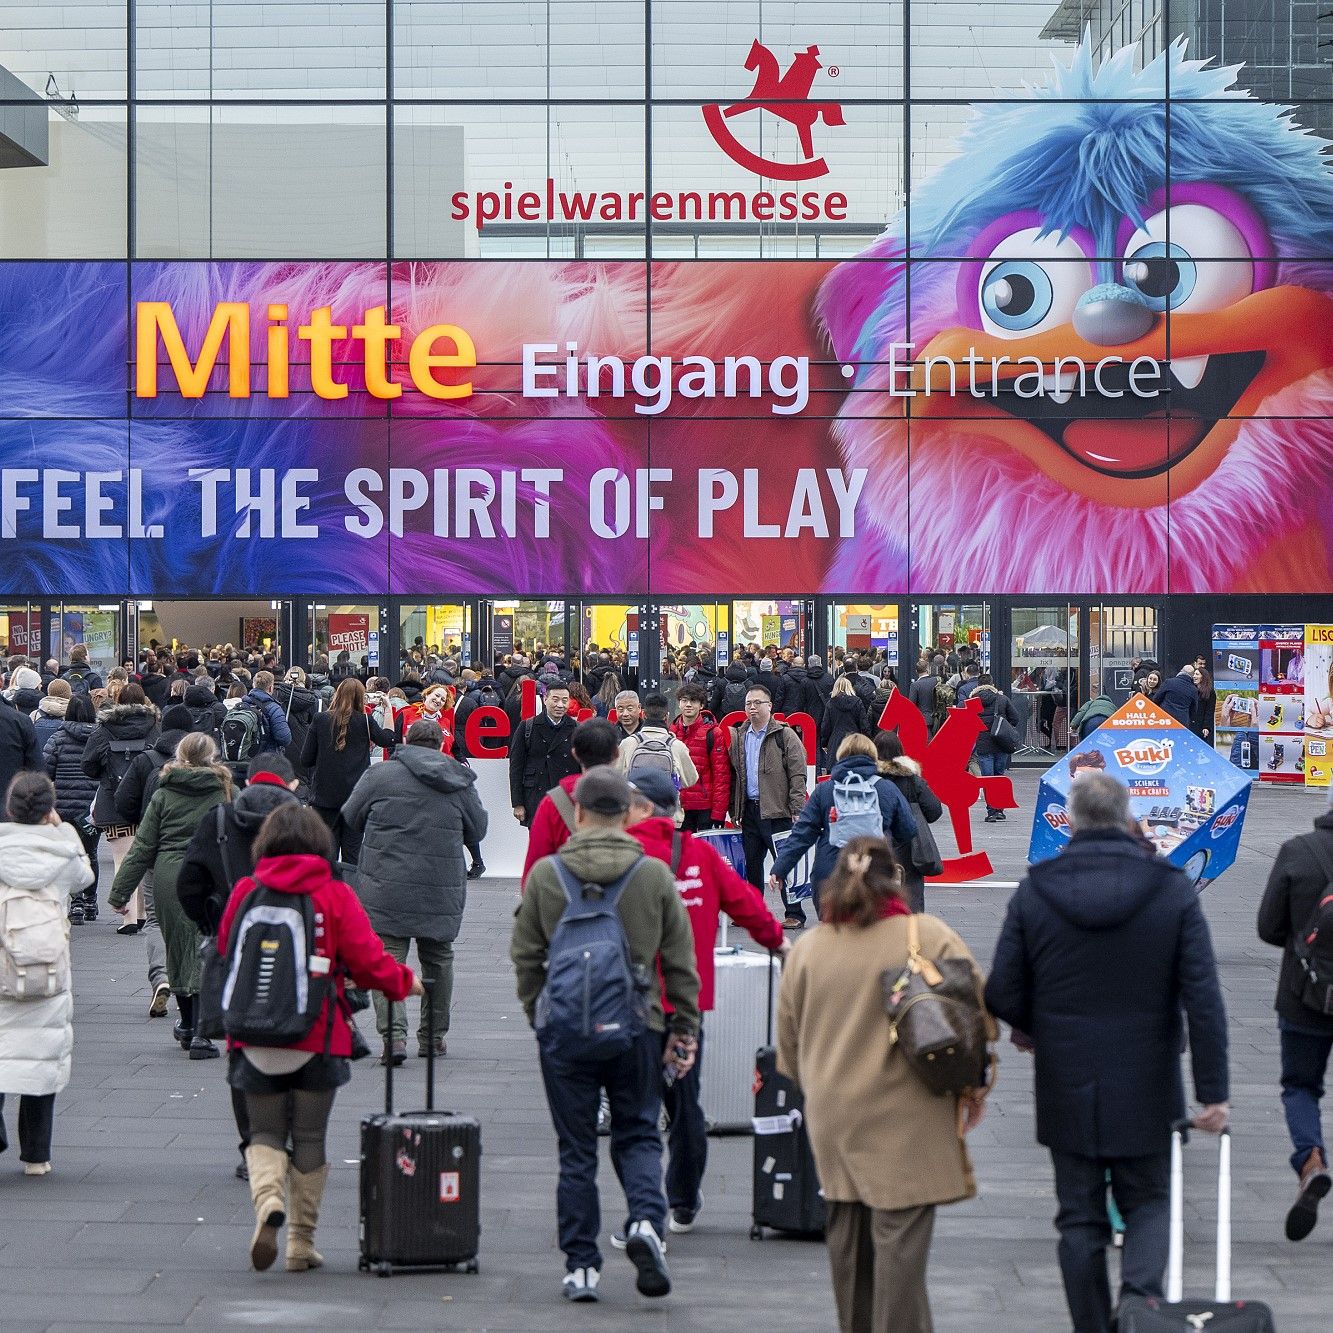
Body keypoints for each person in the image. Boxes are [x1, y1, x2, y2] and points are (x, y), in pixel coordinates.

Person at [985, 772, 1229, 1333]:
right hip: (1149, 1077)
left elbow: (1000, 989)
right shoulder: (1170, 889)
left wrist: (1036, 1029)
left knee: (1079, 1218)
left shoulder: (1038, 889)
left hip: (1066, 1076)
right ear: (1127, 818)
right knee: (1149, 1203)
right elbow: (1205, 998)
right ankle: (1138, 1309)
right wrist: (1213, 1093)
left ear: (1071, 820)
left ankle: (1093, 1326)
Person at [777, 836, 992, 1333]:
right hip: (910, 1118)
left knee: (848, 1249)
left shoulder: (809, 949)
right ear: (894, 878)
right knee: (901, 1254)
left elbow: (787, 1053)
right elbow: (977, 1019)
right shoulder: (929, 934)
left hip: (835, 1120)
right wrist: (974, 1087)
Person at [512, 768, 700, 1304]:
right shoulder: (652, 874)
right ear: (628, 815)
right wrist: (682, 1026)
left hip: (566, 1029)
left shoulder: (548, 875)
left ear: (578, 815)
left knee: (576, 1151)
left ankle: (581, 1266)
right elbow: (679, 962)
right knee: (639, 1131)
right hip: (638, 1025)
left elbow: (525, 955)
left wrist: (538, 1014)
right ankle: (645, 1221)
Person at [217, 803, 422, 1272]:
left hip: (253, 1034)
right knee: (310, 1135)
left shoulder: (247, 890)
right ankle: (300, 1245)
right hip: (316, 1032)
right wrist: (403, 981)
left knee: (265, 1131)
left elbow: (228, 949)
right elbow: (369, 959)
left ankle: (267, 1199)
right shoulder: (334, 894)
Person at [624, 769, 786, 1237]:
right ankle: (684, 1200)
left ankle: (645, 1211)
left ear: (637, 807)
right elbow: (745, 904)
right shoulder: (699, 854)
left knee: (637, 1108)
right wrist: (778, 944)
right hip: (686, 1006)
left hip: (631, 1004)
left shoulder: (623, 855)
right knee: (685, 1103)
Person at [177, 752, 304, 1180]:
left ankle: (254, 1145)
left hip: (234, 945)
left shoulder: (218, 820)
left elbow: (189, 882)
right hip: (292, 946)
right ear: (289, 786)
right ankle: (283, 1142)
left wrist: (210, 925)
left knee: (243, 1049)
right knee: (289, 1042)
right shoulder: (302, 824)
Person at [343, 718, 487, 1065]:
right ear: (441, 745)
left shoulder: (381, 775)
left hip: (384, 881)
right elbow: (478, 829)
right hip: (440, 884)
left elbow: (351, 815)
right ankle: (433, 1038)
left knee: (388, 955)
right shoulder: (458, 779)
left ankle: (394, 1037)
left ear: (406, 740)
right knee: (438, 956)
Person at [109, 733, 233, 1060]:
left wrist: (121, 893)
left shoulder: (164, 794)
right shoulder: (225, 791)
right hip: (214, 875)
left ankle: (190, 1026)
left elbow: (143, 847)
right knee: (211, 949)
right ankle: (204, 1029)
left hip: (171, 876)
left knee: (179, 950)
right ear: (212, 756)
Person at [0, 772, 94, 1178]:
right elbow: (85, 879)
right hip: (47, 967)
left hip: (3, 960)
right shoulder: (62, 849)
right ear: (48, 809)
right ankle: (36, 1156)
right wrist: (64, 831)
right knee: (41, 1058)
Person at [1257, 789, 1333, 1241]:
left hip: (1305, 993)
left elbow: (1268, 927)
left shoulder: (1297, 851)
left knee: (1301, 1086)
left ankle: (1311, 1160)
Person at [769, 734, 916, 919]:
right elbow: (909, 830)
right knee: (872, 934)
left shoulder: (824, 790)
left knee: (833, 936)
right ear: (873, 756)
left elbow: (801, 835)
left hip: (829, 875)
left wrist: (779, 869)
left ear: (840, 755)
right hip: (874, 874)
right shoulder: (886, 788)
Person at [729, 684, 809, 929]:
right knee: (751, 865)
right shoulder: (740, 735)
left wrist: (796, 807)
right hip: (751, 811)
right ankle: (753, 911)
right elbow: (736, 775)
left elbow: (798, 773)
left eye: (757, 703)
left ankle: (794, 913)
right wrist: (736, 810)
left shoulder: (784, 735)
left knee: (784, 864)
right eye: (748, 704)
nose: (752, 708)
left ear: (769, 706)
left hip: (777, 811)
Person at [82, 683, 159, 935]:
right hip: (149, 800)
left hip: (114, 801)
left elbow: (89, 764)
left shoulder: (105, 728)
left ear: (118, 699)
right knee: (144, 857)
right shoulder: (154, 726)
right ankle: (144, 913)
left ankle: (128, 918)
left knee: (122, 859)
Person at [300, 678, 397, 864]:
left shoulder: (320, 719)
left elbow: (306, 759)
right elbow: (388, 739)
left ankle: (326, 891)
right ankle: (349, 891)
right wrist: (388, 708)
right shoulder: (366, 721)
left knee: (325, 853)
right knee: (352, 856)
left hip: (324, 797)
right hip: (356, 798)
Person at [521, 718, 622, 881]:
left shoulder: (554, 801)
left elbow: (534, 868)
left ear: (574, 753)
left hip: (566, 897)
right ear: (617, 753)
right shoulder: (633, 800)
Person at [43, 693, 101, 925]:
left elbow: (46, 770)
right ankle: (90, 900)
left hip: (64, 804)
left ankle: (75, 903)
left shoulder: (57, 739)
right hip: (91, 806)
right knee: (91, 854)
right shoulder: (100, 737)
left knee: (70, 853)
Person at [875, 730, 944, 912]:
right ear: (900, 751)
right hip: (910, 850)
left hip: (876, 846)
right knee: (911, 899)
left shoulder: (869, 780)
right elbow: (935, 811)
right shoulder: (912, 780)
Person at [508, 681, 578, 828]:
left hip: (567, 798)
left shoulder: (577, 728)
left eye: (565, 700)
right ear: (545, 699)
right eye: (555, 699)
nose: (560, 705)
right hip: (536, 795)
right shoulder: (528, 727)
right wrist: (518, 803)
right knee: (539, 843)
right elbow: (516, 767)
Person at [670, 683, 731, 832]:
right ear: (679, 703)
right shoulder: (670, 732)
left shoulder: (713, 733)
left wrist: (718, 813)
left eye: (693, 701)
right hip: (678, 806)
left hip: (704, 806)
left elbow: (721, 775)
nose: (688, 705)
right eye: (684, 700)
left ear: (701, 705)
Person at [617, 693, 698, 796]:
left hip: (637, 808)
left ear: (643, 714)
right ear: (666, 716)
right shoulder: (677, 746)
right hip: (668, 809)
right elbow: (691, 780)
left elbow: (616, 776)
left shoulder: (628, 743)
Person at [971, 673, 1019, 822]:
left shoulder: (973, 701)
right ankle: (999, 810)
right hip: (1001, 743)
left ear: (978, 685)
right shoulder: (1002, 699)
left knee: (988, 778)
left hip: (984, 744)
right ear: (992, 684)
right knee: (999, 776)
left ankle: (991, 811)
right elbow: (1015, 718)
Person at [819, 675, 872, 772]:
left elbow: (825, 726)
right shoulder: (857, 702)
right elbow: (864, 725)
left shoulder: (831, 703)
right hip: (854, 741)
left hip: (835, 741)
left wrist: (824, 743)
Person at [241, 670, 294, 755]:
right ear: (270, 688)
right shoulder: (274, 708)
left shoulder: (242, 704)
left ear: (253, 685)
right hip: (267, 758)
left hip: (244, 756)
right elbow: (284, 738)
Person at [1152, 664, 1201, 729]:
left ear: (1181, 671)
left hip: (1165, 719)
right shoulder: (1194, 690)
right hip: (1182, 722)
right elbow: (1194, 710)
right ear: (1191, 676)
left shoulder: (1169, 682)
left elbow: (1156, 699)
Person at [31, 678, 71, 754]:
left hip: (39, 756)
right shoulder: (73, 713)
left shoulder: (35, 714)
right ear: (68, 693)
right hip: (62, 757)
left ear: (49, 692)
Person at [1191, 667, 1216, 743]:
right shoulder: (1191, 689)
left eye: (1197, 674)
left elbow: (1209, 711)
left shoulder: (1210, 692)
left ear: (1203, 677)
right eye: (1194, 674)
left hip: (1201, 724)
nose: (1194, 676)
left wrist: (1206, 727)